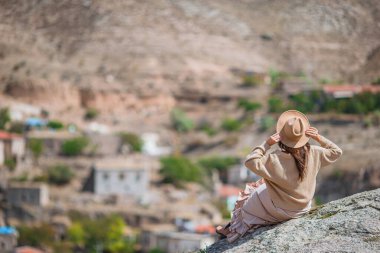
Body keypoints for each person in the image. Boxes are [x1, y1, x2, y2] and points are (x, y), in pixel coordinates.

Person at [216, 110, 343, 243]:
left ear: (282, 136)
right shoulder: (315, 153)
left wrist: (267, 143)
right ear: (304, 135)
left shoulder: (274, 159)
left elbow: (249, 161)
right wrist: (318, 137)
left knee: (248, 201)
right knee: (260, 186)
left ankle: (231, 229)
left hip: (282, 211)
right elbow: (336, 151)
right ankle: (232, 226)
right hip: (303, 207)